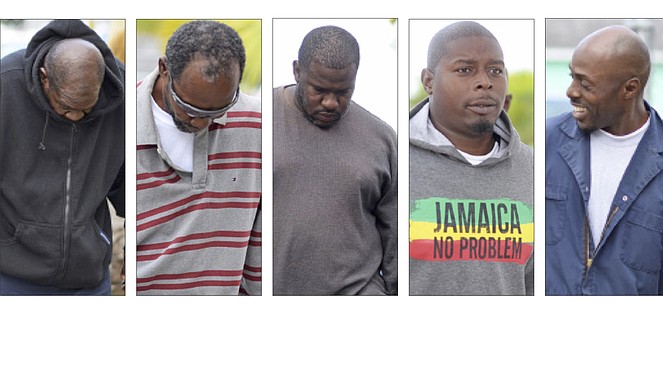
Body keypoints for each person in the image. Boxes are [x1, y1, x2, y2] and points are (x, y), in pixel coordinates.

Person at [136, 20, 261, 295]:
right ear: (164, 68)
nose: (202, 123)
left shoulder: (258, 123)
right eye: (188, 108)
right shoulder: (124, 119)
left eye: (219, 110)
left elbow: (260, 246)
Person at [0, 19, 125, 295]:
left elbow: (131, 185)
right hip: (10, 277)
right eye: (68, 107)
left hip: (88, 280)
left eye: (87, 109)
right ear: (44, 78)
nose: (77, 117)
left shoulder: (120, 93)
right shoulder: (5, 85)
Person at [409, 21, 534, 295]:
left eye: (495, 70)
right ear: (429, 81)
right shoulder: (394, 161)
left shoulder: (534, 170)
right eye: (465, 70)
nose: (485, 82)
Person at [545, 25, 663, 295]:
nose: (570, 91)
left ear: (630, 88)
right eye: (572, 77)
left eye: (585, 83)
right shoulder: (546, 143)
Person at [273, 25, 398, 295]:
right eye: (319, 90)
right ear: (297, 71)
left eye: (343, 92)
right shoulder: (259, 121)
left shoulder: (382, 139)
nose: (331, 103)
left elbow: (396, 233)